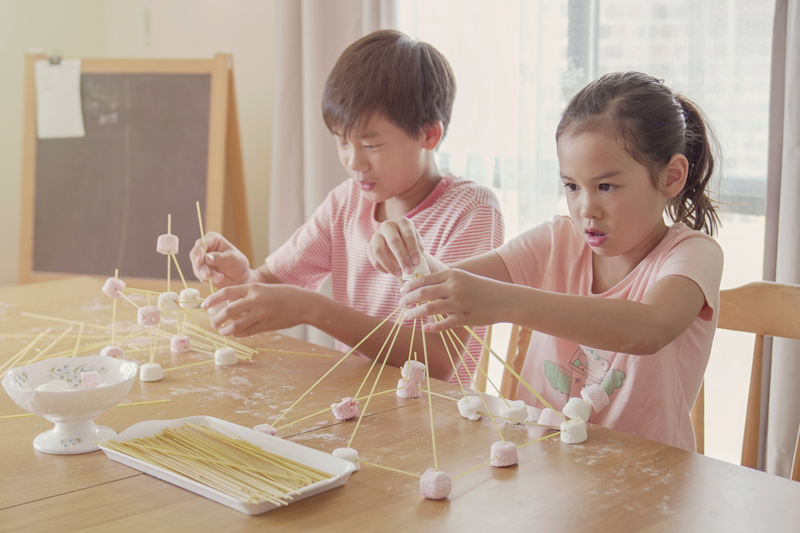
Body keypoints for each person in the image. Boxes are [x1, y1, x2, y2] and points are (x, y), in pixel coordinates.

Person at [368, 71, 723, 450]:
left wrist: (507, 302)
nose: (586, 209)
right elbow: (450, 282)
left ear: (671, 176)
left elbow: (650, 328)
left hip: (648, 481)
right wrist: (409, 255)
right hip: (541, 464)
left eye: (606, 186)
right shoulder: (557, 240)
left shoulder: (693, 254)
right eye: (571, 186)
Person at [191, 30, 504, 383]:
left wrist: (313, 309)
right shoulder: (346, 202)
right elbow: (269, 284)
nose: (354, 162)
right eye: (342, 141)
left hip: (436, 425)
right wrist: (240, 278)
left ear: (429, 134)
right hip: (353, 409)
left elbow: (438, 360)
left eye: (371, 145)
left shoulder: (471, 212)